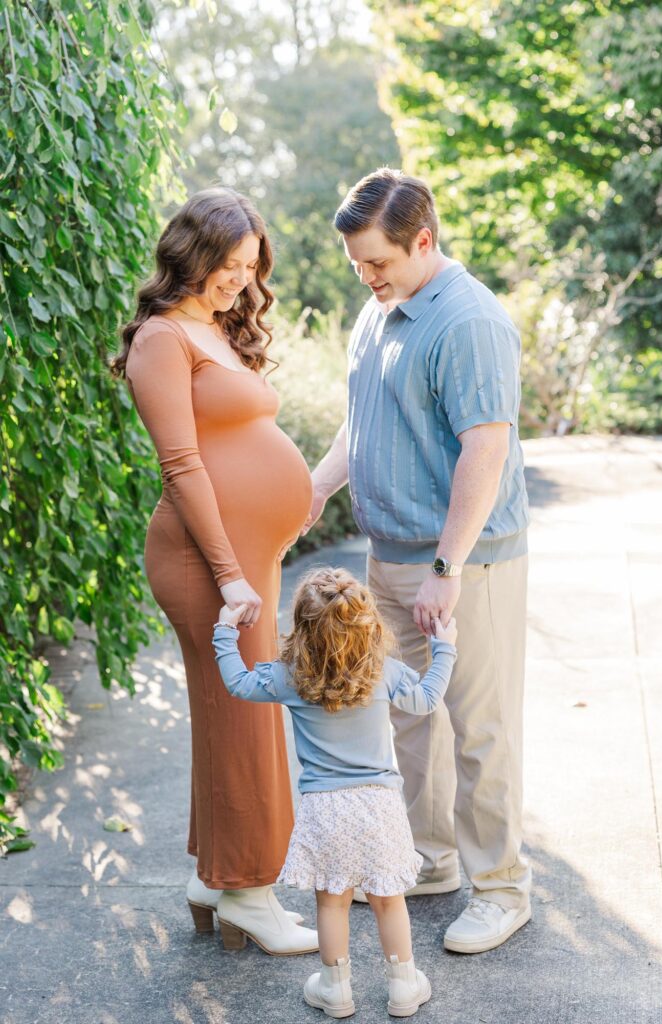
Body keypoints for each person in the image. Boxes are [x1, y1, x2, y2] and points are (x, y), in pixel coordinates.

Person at [302, 168, 531, 954]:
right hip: (388, 556)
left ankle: (502, 887)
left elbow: (486, 447)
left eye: (378, 262)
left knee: (479, 729)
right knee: (406, 720)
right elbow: (359, 420)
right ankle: (431, 861)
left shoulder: (467, 320)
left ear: (423, 241)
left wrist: (447, 567)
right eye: (357, 263)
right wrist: (316, 486)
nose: (366, 277)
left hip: (464, 566)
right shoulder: (381, 311)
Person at [112, 187, 318, 955]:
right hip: (206, 563)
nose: (241, 279)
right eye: (229, 264)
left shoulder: (217, 330)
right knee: (247, 717)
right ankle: (251, 894)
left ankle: (215, 875)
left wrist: (284, 509)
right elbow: (183, 465)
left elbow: (244, 441)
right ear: (192, 253)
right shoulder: (164, 339)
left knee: (234, 712)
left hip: (241, 556)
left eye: (250, 265)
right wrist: (232, 573)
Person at [212, 567, 458, 1018]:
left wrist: (225, 630)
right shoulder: (383, 671)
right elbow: (426, 700)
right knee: (388, 899)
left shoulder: (291, 676)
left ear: (302, 628)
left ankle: (335, 988)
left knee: (332, 898)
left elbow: (238, 683)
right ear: (369, 622)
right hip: (379, 803)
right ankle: (403, 985)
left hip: (324, 808)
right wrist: (444, 647)